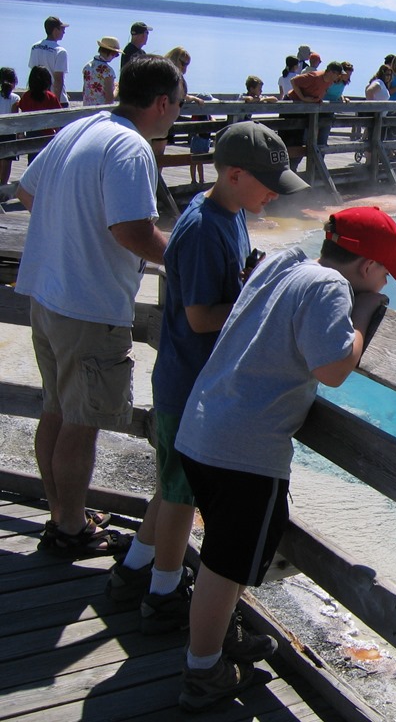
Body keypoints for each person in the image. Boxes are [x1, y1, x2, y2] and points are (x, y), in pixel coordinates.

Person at [174, 205, 396, 711]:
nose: (384, 283)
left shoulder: (284, 263)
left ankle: (218, 639)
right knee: (224, 562)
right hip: (245, 450)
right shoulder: (331, 288)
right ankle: (203, 671)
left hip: (205, 425)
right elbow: (333, 369)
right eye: (386, 274)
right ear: (368, 267)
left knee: (229, 550)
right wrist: (364, 313)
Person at [106, 121, 309, 636]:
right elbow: (200, 317)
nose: (273, 194)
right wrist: (262, 299)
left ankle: (133, 572)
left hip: (193, 380)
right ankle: (163, 595)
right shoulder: (202, 228)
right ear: (234, 175)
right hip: (188, 384)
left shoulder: (229, 211)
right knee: (181, 495)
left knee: (173, 482)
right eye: (268, 184)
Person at [14, 55, 184, 557]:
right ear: (161, 103)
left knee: (57, 411)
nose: (180, 111)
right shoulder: (131, 147)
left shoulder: (81, 127)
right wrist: (187, 258)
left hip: (48, 293)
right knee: (81, 423)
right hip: (88, 305)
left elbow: (26, 192)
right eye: (180, 103)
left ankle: (61, 516)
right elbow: (132, 231)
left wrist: (72, 230)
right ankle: (71, 529)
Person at [18, 66, 62, 162]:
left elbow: (22, 116)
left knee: (32, 161)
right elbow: (58, 118)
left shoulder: (26, 96)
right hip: (48, 136)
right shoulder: (51, 97)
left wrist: (21, 133)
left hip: (31, 135)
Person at [28, 16, 69, 107]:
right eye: (62, 29)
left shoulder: (35, 47)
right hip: (55, 98)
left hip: (38, 97)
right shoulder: (60, 51)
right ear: (55, 30)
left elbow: (33, 73)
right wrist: (56, 103)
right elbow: (58, 80)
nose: (64, 32)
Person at [82, 37, 121, 106]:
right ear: (110, 52)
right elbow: (109, 99)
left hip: (86, 108)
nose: (115, 57)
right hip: (100, 109)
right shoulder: (108, 71)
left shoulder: (87, 66)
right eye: (115, 54)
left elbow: (85, 90)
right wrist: (117, 89)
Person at [0, 67, 20, 186]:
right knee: (7, 162)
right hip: (9, 132)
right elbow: (14, 118)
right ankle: (3, 186)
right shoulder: (15, 98)